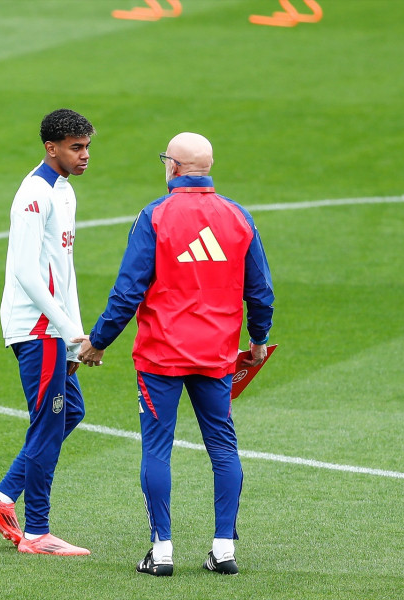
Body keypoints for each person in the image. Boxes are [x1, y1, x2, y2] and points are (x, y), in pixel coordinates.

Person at [74, 132, 274, 576]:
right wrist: (258, 340)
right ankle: (224, 549)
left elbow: (128, 291)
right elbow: (260, 291)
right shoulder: (238, 217)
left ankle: (161, 549)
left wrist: (99, 340)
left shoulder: (156, 216)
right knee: (223, 447)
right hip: (217, 356)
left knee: (157, 449)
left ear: (175, 167)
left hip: (161, 357)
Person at [0, 109, 95, 556]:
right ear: (52, 148)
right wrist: (68, 331)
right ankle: (37, 532)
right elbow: (27, 273)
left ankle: (3, 497)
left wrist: (73, 334)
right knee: (48, 425)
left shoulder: (63, 191)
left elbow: (64, 271)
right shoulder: (34, 194)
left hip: (55, 330)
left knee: (70, 412)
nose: (85, 156)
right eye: (75, 148)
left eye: (86, 147)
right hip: (36, 326)